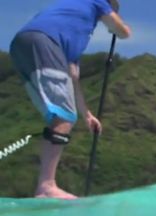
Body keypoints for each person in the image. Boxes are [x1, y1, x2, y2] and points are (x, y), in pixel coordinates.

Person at [9, 0, 132, 199]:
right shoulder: (96, 1)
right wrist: (119, 28)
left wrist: (87, 114)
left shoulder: (73, 33)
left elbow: (72, 78)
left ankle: (45, 184)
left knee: (60, 116)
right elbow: (124, 32)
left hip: (22, 45)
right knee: (63, 117)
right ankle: (46, 186)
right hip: (44, 42)